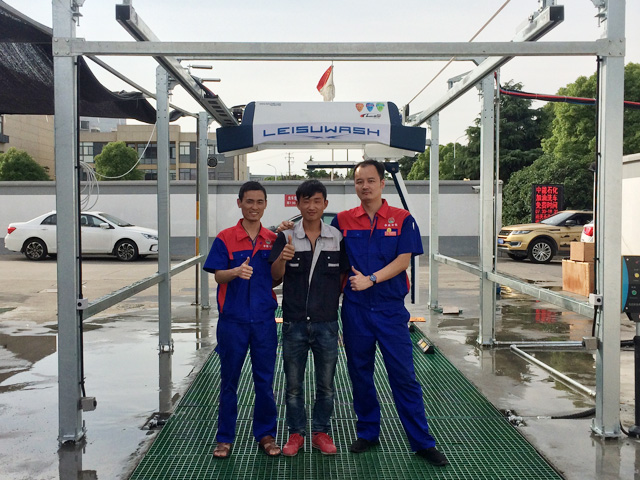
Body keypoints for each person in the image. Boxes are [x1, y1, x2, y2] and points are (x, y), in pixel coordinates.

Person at [330, 159, 449, 466]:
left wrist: (371, 279)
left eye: (370, 180)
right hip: (355, 311)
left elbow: (403, 260)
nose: (365, 186)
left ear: (382, 184)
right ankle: (368, 432)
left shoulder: (402, 219)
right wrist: (287, 231)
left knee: (404, 376)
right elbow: (323, 245)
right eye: (359, 181)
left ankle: (422, 442)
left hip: (390, 310)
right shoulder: (343, 220)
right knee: (360, 374)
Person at [269, 180, 349, 456]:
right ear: (298, 204)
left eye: (317, 201)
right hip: (294, 324)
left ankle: (320, 432)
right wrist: (282, 258)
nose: (311, 206)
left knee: (326, 385)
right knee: (293, 386)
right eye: (306, 201)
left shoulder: (336, 238)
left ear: (325, 204)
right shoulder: (286, 237)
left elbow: (343, 275)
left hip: (327, 324)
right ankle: (296, 433)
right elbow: (274, 278)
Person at [203, 181, 281, 459]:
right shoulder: (225, 238)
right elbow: (217, 275)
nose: (254, 207)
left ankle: (266, 435)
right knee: (229, 381)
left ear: (265, 205)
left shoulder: (272, 239)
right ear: (239, 203)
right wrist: (235, 271)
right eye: (249, 201)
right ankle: (224, 438)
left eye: (260, 202)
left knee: (265, 381)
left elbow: (276, 279)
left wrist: (283, 256)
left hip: (263, 321)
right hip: (232, 322)